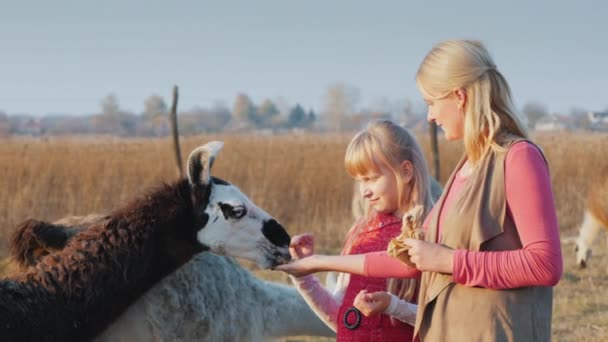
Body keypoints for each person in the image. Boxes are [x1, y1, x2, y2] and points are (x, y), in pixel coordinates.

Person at [277, 119, 434, 341]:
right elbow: (342, 317)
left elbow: (440, 320)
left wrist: (393, 306)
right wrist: (305, 276)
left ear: (406, 171)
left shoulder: (430, 231)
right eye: (360, 181)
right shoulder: (361, 232)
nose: (364, 192)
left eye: (370, 179)